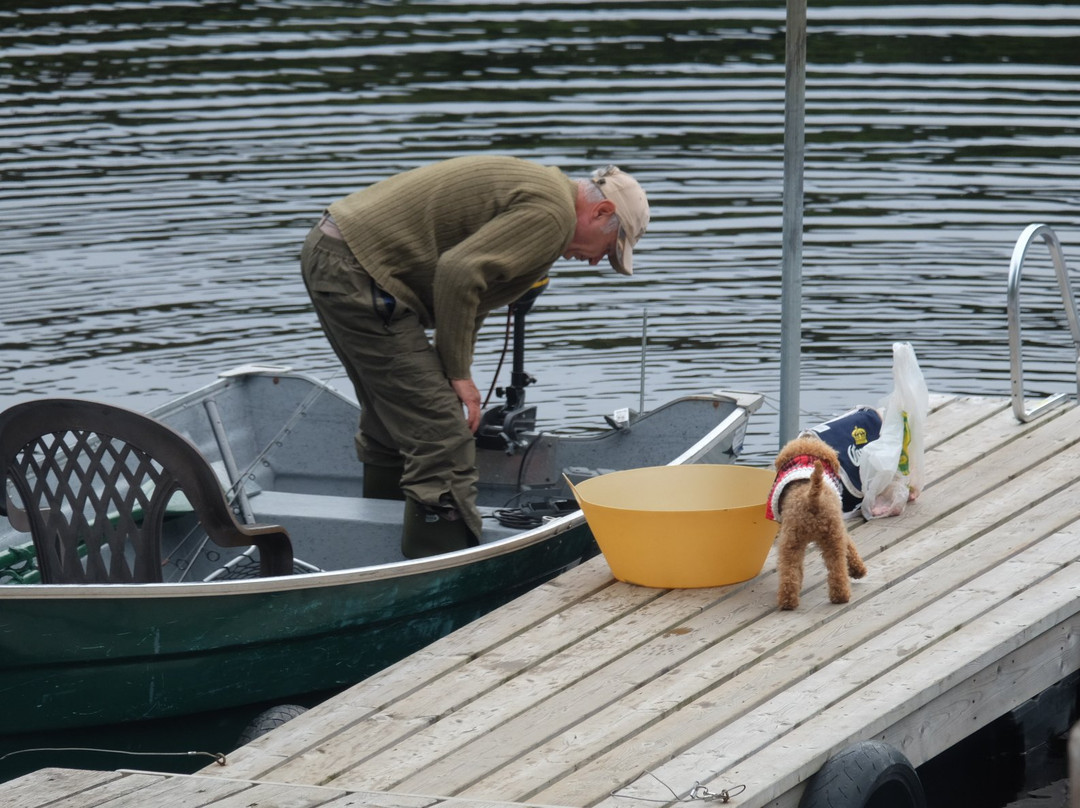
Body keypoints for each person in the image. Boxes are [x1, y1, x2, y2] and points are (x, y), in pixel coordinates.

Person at [300, 155, 650, 558]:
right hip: (360, 274)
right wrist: (457, 374)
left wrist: (452, 373)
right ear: (601, 211)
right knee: (444, 438)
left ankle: (373, 553)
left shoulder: (544, 192)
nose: (594, 261)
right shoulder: (552, 217)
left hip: (337, 255)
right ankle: (432, 578)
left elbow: (473, 292)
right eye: (608, 248)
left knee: (394, 422)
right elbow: (459, 273)